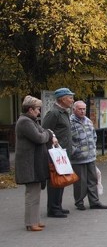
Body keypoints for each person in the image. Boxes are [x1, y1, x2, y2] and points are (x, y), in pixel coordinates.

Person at [15, 96, 57, 231]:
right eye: (37, 109)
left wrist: (46, 133)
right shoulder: (24, 122)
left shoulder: (31, 121)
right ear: (30, 109)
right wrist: (48, 135)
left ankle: (35, 220)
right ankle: (30, 223)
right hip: (29, 164)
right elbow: (40, 137)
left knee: (36, 193)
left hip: (35, 163)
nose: (39, 112)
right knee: (32, 194)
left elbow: (43, 132)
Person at [42, 87, 75, 218]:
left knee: (61, 179)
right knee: (55, 180)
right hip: (55, 153)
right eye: (70, 97)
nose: (72, 100)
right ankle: (53, 208)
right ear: (62, 99)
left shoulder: (64, 112)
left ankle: (58, 205)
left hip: (64, 152)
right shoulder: (54, 113)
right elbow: (45, 130)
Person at [69, 100, 107, 210]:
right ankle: (79, 202)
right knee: (80, 182)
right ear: (74, 110)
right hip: (78, 157)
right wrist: (74, 150)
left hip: (90, 156)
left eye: (84, 109)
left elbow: (93, 136)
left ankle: (94, 201)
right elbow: (68, 140)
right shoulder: (70, 122)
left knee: (93, 180)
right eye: (80, 109)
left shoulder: (88, 121)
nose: (82, 111)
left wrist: (93, 148)